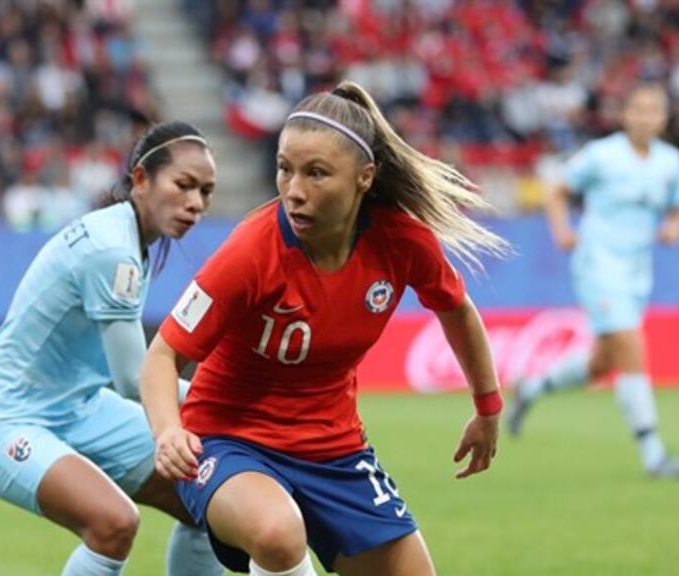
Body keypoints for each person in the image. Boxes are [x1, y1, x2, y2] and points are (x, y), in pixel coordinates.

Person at [140, 81, 508, 576]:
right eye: (285, 169)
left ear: (364, 178)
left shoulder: (401, 241)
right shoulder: (251, 250)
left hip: (335, 450)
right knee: (277, 533)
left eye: (316, 173)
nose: (294, 190)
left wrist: (487, 408)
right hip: (229, 440)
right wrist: (167, 431)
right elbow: (163, 354)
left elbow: (457, 310)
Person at [0, 121, 225, 576]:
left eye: (205, 192)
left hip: (76, 408)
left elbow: (31, 323)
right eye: (184, 185)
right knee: (114, 523)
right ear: (141, 178)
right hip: (8, 420)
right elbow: (133, 382)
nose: (195, 204)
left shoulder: (127, 237)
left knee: (207, 491)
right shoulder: (112, 250)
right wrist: (232, 402)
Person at [508, 83, 679, 479]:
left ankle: (532, 388)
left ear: (664, 118)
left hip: (637, 272)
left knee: (602, 362)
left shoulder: (670, 161)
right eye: (638, 109)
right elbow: (556, 191)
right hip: (597, 264)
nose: (646, 117)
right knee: (631, 346)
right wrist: (561, 231)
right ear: (625, 115)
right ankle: (653, 454)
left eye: (654, 111)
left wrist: (675, 225)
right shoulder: (601, 155)